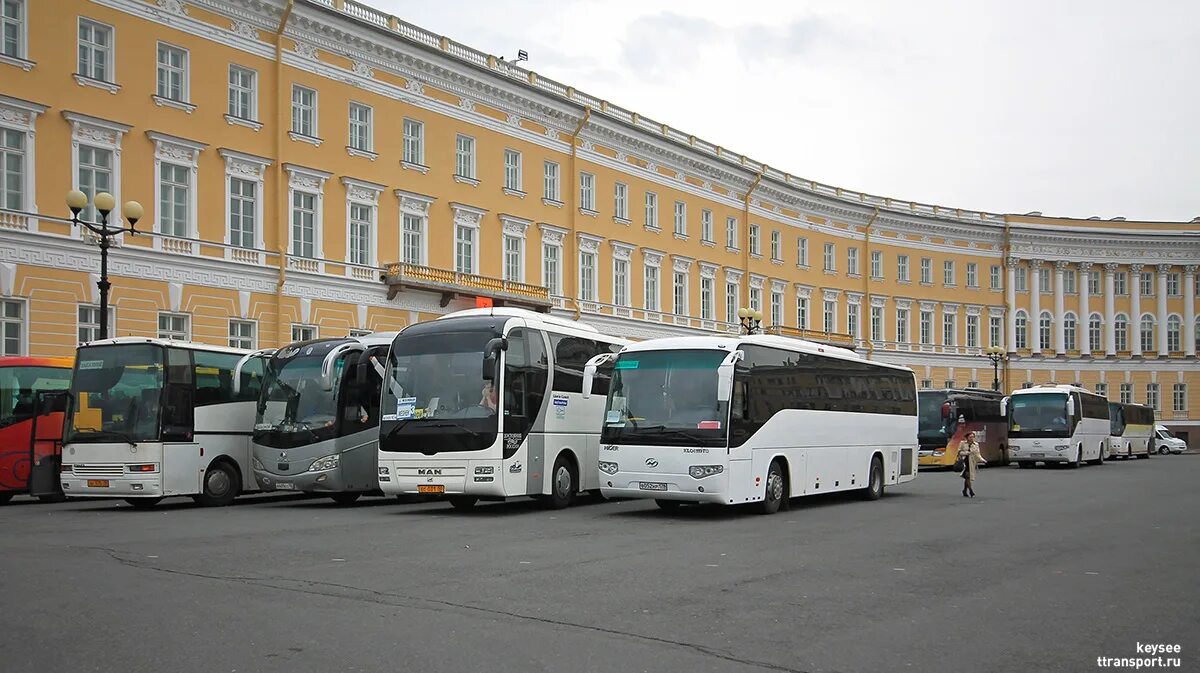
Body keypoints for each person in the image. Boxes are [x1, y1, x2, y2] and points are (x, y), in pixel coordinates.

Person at [957, 431, 987, 498]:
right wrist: (966, 453)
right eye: (970, 437)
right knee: (968, 476)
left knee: (968, 477)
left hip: (971, 462)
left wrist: (982, 460)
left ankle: (964, 490)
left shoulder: (976, 444)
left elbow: (977, 454)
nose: (972, 438)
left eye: (973, 437)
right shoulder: (962, 443)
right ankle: (971, 491)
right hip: (964, 462)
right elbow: (959, 452)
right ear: (967, 438)